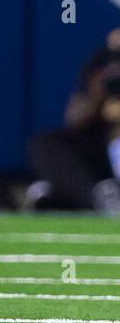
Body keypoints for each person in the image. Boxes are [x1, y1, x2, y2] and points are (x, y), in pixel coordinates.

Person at [27, 28, 120, 215]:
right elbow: (73, 119)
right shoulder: (105, 60)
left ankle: (62, 199)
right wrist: (98, 91)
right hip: (102, 157)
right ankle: (96, 200)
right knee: (46, 143)